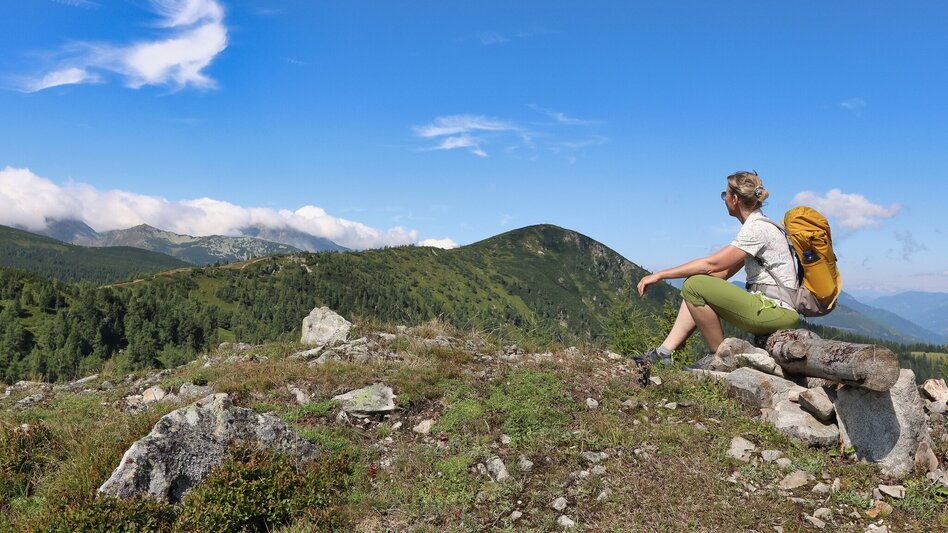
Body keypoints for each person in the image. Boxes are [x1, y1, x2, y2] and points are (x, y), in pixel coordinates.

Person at [635, 170, 800, 370]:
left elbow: (712, 264)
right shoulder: (761, 226)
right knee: (696, 285)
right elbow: (722, 274)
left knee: (695, 284)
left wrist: (659, 275)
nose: (724, 199)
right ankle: (664, 352)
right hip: (774, 308)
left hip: (775, 310)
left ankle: (720, 357)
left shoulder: (757, 229)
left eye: (725, 194)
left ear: (735, 199)